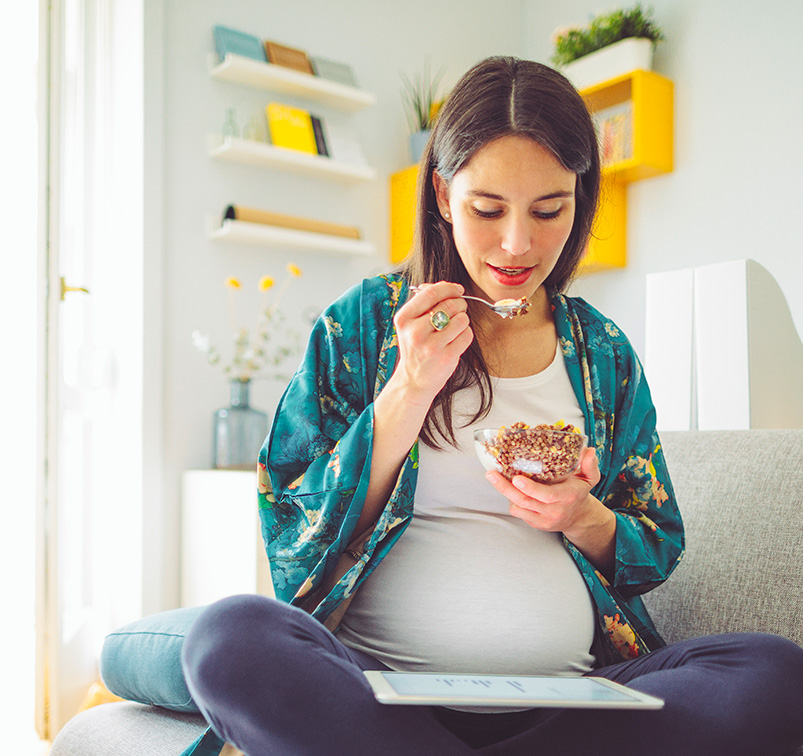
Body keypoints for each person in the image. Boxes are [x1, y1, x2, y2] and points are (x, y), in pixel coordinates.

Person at [182, 56, 803, 756]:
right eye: (486, 209)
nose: (518, 244)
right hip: (377, 695)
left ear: (580, 197)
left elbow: (652, 548)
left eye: (549, 210)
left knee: (772, 673)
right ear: (443, 196)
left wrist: (582, 515)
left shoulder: (601, 352)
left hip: (571, 706)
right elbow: (291, 541)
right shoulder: (361, 325)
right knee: (229, 640)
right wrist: (408, 388)